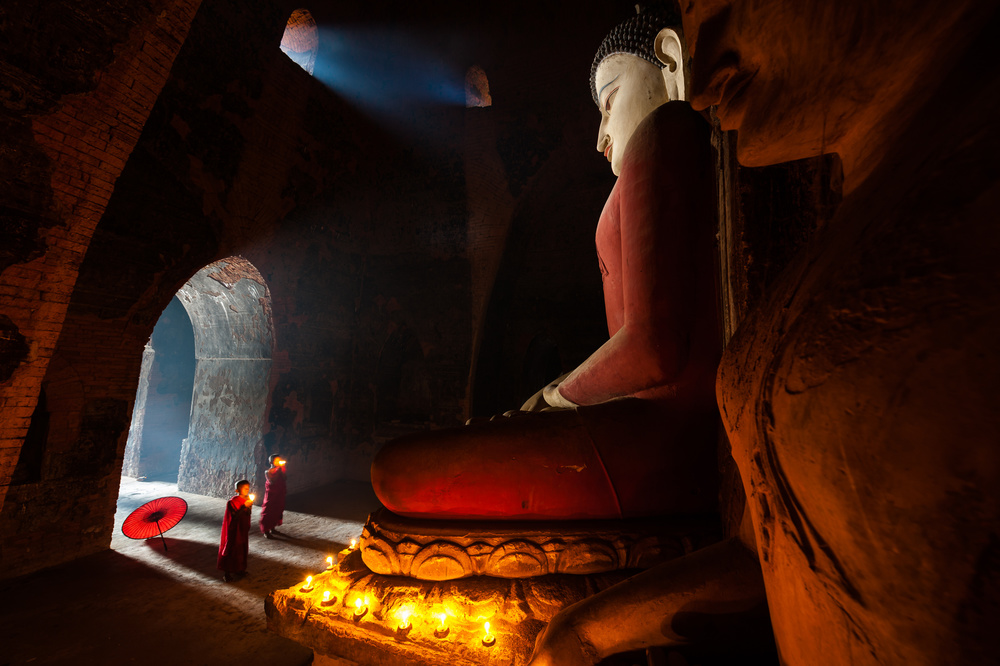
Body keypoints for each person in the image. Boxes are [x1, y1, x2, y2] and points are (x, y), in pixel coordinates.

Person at [528, 0, 1000, 663]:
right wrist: (582, 633)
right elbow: (767, 550)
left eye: (730, 4)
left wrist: (554, 397)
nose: (704, 67)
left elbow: (656, 346)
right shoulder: (843, 239)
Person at [371, 6, 721, 521]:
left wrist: (552, 398)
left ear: (669, 62)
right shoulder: (658, 153)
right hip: (651, 433)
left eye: (608, 101)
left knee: (396, 471)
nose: (600, 135)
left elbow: (655, 347)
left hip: (657, 441)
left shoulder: (662, 131)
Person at [217, 479, 253, 582]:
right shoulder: (232, 502)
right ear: (237, 490)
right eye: (245, 488)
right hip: (234, 529)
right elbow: (235, 517)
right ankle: (226, 573)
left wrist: (249, 506)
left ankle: (239, 569)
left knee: (242, 548)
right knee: (232, 548)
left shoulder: (247, 500)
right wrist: (243, 506)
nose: (247, 490)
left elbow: (248, 514)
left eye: (248, 488)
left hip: (243, 528)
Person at [260, 454, 287, 538]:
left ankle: (272, 527)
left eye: (279, 460)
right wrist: (278, 471)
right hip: (271, 494)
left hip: (279, 493)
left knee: (277, 510)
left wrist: (282, 470)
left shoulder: (280, 469)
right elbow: (272, 481)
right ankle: (266, 531)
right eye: (276, 461)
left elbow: (285, 478)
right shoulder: (268, 471)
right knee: (268, 511)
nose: (278, 462)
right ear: (271, 462)